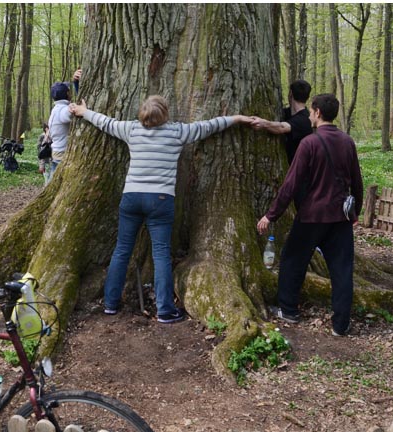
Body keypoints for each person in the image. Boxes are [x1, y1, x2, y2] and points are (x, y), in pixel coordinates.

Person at [69, 96, 253, 323]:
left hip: (132, 197)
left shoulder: (131, 130)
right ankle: (165, 310)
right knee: (161, 254)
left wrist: (84, 112)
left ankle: (110, 303)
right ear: (165, 114)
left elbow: (106, 123)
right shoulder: (177, 132)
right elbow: (209, 126)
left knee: (122, 250)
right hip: (160, 199)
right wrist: (236, 118)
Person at [256, 94, 363, 337]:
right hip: (340, 217)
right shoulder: (347, 142)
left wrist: (271, 215)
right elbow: (357, 182)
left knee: (293, 260)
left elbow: (290, 185)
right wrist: (356, 212)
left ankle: (289, 310)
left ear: (316, 112)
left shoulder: (309, 144)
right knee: (342, 270)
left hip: (312, 215)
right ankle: (340, 324)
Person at [251, 80, 313, 166]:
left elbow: (281, 127)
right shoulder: (286, 113)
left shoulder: (305, 119)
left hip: (299, 171)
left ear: (290, 94)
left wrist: (263, 123)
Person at [47, 68, 82, 181]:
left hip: (57, 151)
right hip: (62, 153)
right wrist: (72, 109)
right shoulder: (62, 110)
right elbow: (66, 115)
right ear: (67, 93)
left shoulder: (55, 109)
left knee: (54, 179)